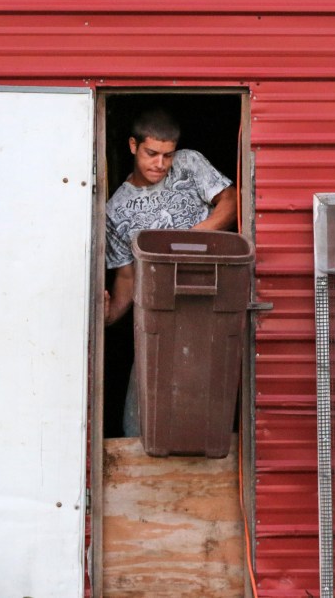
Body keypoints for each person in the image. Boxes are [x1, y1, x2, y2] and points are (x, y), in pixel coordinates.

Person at [104, 108, 237, 435]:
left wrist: (190, 240)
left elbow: (231, 202)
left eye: (167, 155)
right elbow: (126, 279)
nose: (160, 164)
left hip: (212, 302)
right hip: (159, 316)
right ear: (133, 146)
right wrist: (106, 318)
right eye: (152, 153)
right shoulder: (115, 210)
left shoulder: (189, 163)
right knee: (143, 413)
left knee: (214, 400)